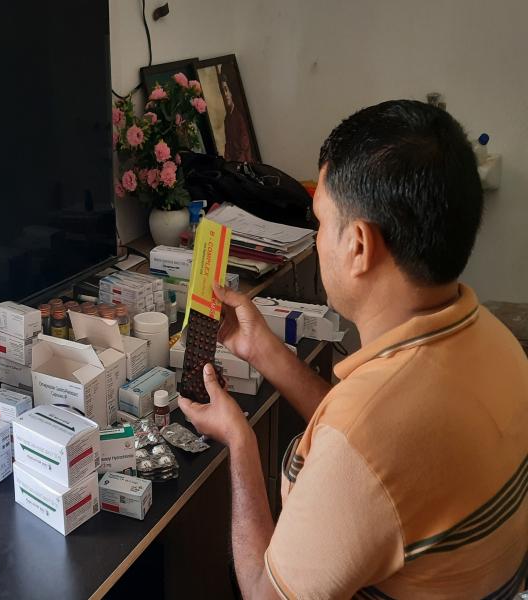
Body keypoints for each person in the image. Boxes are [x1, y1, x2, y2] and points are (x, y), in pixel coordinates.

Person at [179, 100, 528, 599]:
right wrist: (262, 350)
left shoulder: (369, 435)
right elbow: (372, 444)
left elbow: (262, 592)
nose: (318, 239)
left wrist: (240, 439)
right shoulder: (496, 341)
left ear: (359, 246)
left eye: (321, 221)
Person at [219, 68, 253, 163]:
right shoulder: (227, 119)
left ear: (231, 92)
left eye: (226, 90)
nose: (225, 94)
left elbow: (245, 145)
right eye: (222, 92)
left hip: (244, 160)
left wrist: (237, 161)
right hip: (234, 162)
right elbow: (228, 144)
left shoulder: (239, 116)